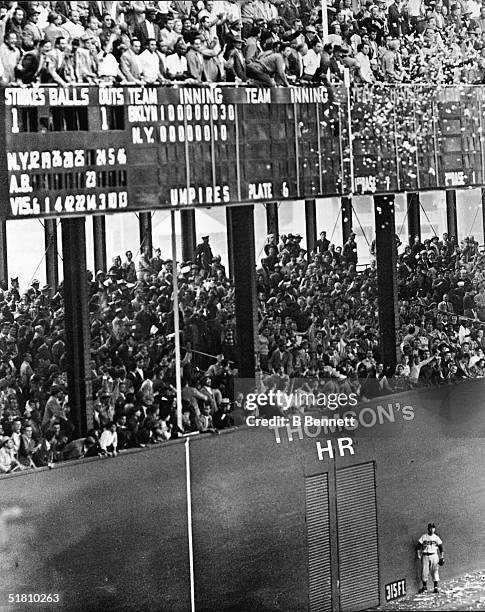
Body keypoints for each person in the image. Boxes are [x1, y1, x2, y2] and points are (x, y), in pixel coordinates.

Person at [416, 522, 444, 593]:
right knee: (424, 572)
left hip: (434, 555)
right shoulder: (424, 536)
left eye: (433, 528)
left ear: (434, 529)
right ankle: (424, 587)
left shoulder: (436, 537)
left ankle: (435, 587)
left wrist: (442, 557)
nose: (431, 529)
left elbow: (441, 547)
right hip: (425, 555)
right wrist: (418, 554)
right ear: (428, 529)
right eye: (430, 528)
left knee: (435, 571)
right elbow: (418, 545)